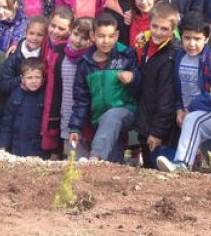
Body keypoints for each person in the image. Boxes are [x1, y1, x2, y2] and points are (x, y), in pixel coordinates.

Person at [157, 13, 211, 173]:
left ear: (206, 39)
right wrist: (179, 108)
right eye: (187, 38)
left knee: (194, 120)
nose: (192, 44)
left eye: (197, 39)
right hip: (191, 114)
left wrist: (190, 109)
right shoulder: (180, 57)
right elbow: (179, 89)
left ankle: (181, 164)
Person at [68, 12, 140, 163]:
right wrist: (75, 127)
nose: (106, 41)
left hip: (125, 111)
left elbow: (141, 85)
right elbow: (81, 99)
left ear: (117, 35)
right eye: (101, 36)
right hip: (101, 121)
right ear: (93, 36)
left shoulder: (126, 55)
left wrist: (133, 78)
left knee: (112, 115)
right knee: (112, 164)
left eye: (110, 36)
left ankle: (94, 158)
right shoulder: (85, 62)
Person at [133, 2, 181, 169]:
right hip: (147, 119)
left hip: (162, 131)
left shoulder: (171, 55)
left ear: (173, 29)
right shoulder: (146, 44)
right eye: (155, 26)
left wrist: (157, 132)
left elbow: (167, 97)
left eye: (164, 29)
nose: (158, 32)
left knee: (160, 172)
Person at [47, 17, 93, 159]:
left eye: (84, 38)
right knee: (73, 161)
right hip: (66, 117)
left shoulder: (93, 58)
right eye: (76, 34)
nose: (78, 40)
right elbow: (55, 90)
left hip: (87, 119)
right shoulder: (61, 55)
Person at [41, 9, 77, 159]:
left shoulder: (68, 49)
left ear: (70, 30)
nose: (55, 31)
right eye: (53, 25)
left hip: (61, 97)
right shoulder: (45, 41)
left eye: (61, 28)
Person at [0, 57, 48, 158]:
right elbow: (7, 124)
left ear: (43, 78)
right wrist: (3, 146)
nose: (34, 81)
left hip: (39, 151)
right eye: (29, 77)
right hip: (17, 148)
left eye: (37, 77)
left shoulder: (45, 96)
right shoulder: (15, 95)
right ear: (22, 79)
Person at [0, 15, 49, 98]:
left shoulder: (46, 56)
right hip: (15, 103)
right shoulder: (14, 55)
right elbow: (3, 85)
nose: (34, 38)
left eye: (40, 35)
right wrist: (21, 79)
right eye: (31, 33)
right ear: (25, 33)